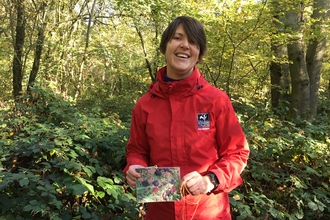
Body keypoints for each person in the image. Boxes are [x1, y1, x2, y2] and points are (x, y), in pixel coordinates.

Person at [124, 16, 250, 220]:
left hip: (209, 213)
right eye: (177, 38)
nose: (185, 45)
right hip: (160, 212)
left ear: (199, 53)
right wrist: (135, 166)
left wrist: (211, 180)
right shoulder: (145, 105)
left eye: (192, 41)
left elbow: (237, 153)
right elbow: (137, 150)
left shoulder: (216, 100)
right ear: (165, 46)